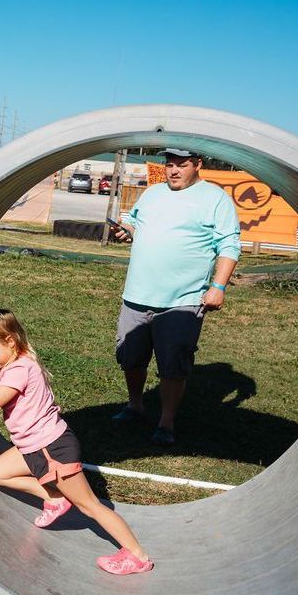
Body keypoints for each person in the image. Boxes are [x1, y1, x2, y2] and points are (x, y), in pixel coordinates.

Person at [0, 308, 154, 576]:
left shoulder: (19, 370)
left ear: (9, 340)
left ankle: (137, 556)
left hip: (51, 450)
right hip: (33, 446)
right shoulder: (15, 363)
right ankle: (54, 498)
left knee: (89, 505)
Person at [109, 149, 241, 446]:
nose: (174, 171)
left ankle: (166, 423)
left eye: (181, 165)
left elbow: (229, 245)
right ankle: (135, 406)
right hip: (137, 295)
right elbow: (135, 223)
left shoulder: (215, 198)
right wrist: (126, 230)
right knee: (130, 358)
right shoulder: (152, 194)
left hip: (183, 299)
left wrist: (217, 287)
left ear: (198, 165)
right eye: (169, 165)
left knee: (173, 364)